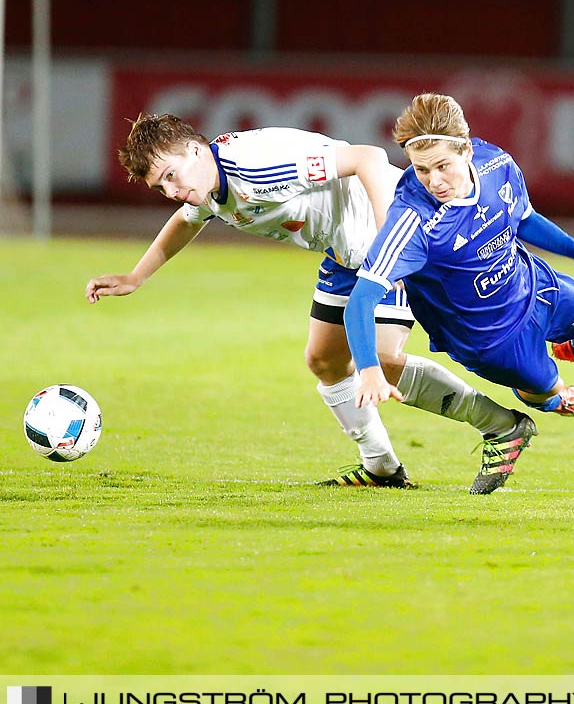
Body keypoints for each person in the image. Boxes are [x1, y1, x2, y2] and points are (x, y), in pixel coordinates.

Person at [87, 112, 542, 494]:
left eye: (171, 176)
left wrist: (392, 244)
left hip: (392, 233)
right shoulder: (208, 182)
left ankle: (501, 426)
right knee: (324, 360)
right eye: (159, 186)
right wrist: (135, 277)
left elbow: (368, 158)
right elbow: (188, 219)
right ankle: (382, 468)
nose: (171, 190)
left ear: (194, 150)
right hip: (344, 250)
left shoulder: (258, 168)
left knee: (380, 358)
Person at [344, 94, 574, 433]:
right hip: (490, 339)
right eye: (422, 169)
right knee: (551, 391)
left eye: (443, 166)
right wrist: (369, 371)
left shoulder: (494, 163)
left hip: (534, 284)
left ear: (467, 151)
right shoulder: (411, 219)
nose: (434, 181)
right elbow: (359, 302)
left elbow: (524, 217)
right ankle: (551, 398)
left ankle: (572, 347)